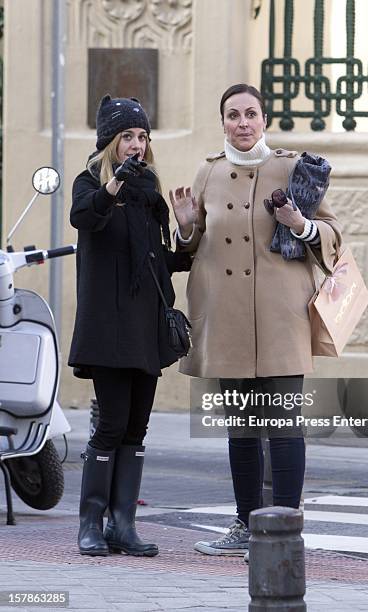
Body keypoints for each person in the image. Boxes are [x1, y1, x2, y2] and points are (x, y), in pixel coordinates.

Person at [170, 83, 341, 556]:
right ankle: (245, 525)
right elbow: (191, 246)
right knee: (241, 431)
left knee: (285, 427)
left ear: (264, 119)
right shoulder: (208, 173)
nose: (242, 123)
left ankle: (285, 533)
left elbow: (332, 235)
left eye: (250, 114)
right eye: (232, 115)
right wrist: (184, 225)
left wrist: (299, 224)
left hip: (280, 316)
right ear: (222, 121)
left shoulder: (292, 168)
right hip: (225, 318)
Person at [69, 94, 190, 557]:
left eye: (142, 137)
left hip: (145, 331)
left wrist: (185, 228)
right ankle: (90, 525)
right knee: (111, 425)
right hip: (107, 330)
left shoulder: (148, 194)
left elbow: (164, 263)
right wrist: (114, 184)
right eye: (128, 138)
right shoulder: (90, 184)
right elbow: (84, 217)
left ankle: (124, 525)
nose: (137, 145)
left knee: (137, 428)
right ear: (110, 143)